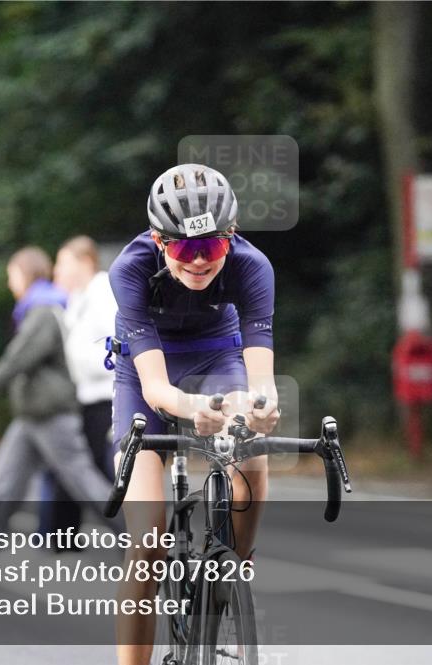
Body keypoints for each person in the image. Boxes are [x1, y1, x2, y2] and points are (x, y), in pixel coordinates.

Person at [106, 164, 280, 665]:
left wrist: (261, 407)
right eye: (184, 249)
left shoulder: (253, 267)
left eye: (213, 248)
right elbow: (156, 387)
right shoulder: (130, 268)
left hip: (216, 355)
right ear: (160, 241)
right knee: (149, 542)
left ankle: (234, 571)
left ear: (232, 238)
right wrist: (192, 409)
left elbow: (261, 377)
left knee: (253, 456)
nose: (199, 262)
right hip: (147, 369)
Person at [0, 246, 119, 563]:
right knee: (5, 482)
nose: (9, 283)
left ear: (25, 274)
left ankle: (141, 539)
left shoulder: (42, 311)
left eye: (12, 275)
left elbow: (16, 360)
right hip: (31, 416)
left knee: (84, 482)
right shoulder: (39, 308)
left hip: (52, 414)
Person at [34, 235, 118, 537]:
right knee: (76, 467)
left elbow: (117, 343)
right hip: (84, 396)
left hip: (105, 396)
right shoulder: (77, 298)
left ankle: (138, 537)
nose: (57, 270)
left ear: (84, 262)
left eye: (62, 262)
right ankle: (60, 534)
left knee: (98, 470)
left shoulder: (104, 291)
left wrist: (85, 365)